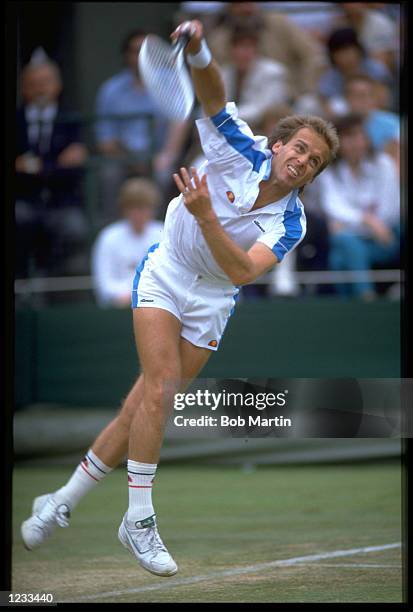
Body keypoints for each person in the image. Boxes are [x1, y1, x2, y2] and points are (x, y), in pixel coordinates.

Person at [21, 19, 339, 577]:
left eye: (313, 162)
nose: (303, 161)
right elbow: (213, 93)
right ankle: (137, 520)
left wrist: (207, 215)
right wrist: (198, 49)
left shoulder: (292, 222)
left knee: (144, 403)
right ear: (281, 142)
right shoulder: (240, 144)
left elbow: (241, 271)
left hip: (214, 298)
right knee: (161, 390)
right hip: (165, 274)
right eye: (301, 149)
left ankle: (62, 501)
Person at [94, 29, 190, 222]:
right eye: (134, 51)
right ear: (125, 56)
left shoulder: (170, 80)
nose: (139, 56)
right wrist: (131, 160)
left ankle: (163, 229)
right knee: (108, 174)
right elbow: (105, 141)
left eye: (144, 50)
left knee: (166, 174)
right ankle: (113, 229)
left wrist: (166, 155)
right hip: (123, 157)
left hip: (159, 156)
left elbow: (180, 122)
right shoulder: (110, 90)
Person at [16, 52, 88, 277]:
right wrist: (56, 164)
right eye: (33, 84)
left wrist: (39, 167)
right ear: (23, 89)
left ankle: (62, 289)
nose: (40, 89)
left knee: (74, 227)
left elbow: (75, 160)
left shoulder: (71, 119)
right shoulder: (16, 120)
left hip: (62, 201)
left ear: (57, 86)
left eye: (45, 83)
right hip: (25, 199)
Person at [316, 113, 400, 299]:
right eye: (349, 137)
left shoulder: (383, 164)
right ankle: (365, 297)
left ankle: (353, 311)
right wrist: (367, 220)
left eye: (361, 135)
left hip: (384, 241)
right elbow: (333, 207)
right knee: (341, 254)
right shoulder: (330, 172)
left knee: (341, 249)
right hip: (359, 239)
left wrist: (347, 224)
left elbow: (389, 212)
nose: (356, 142)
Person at [91, 178, 164, 307]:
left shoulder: (164, 234)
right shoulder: (108, 237)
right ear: (124, 209)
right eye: (132, 208)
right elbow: (104, 285)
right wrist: (129, 296)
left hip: (157, 306)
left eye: (142, 208)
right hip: (117, 310)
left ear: (152, 208)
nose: (137, 214)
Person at [219, 24, 290, 131]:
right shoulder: (224, 73)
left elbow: (263, 109)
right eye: (238, 47)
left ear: (256, 50)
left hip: (262, 130)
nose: (242, 53)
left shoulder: (273, 72)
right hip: (228, 127)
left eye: (247, 47)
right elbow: (213, 103)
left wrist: (224, 117)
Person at [318, 27, 393, 118]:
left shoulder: (375, 69)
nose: (345, 56)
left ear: (358, 50)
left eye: (348, 50)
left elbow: (383, 99)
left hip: (375, 114)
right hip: (346, 120)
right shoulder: (330, 77)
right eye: (339, 52)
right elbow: (327, 106)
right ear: (332, 55)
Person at [344, 73, 400, 168]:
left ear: (373, 98)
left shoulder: (391, 123)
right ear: (346, 98)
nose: (358, 101)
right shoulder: (338, 124)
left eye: (363, 95)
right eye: (354, 95)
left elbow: (396, 159)